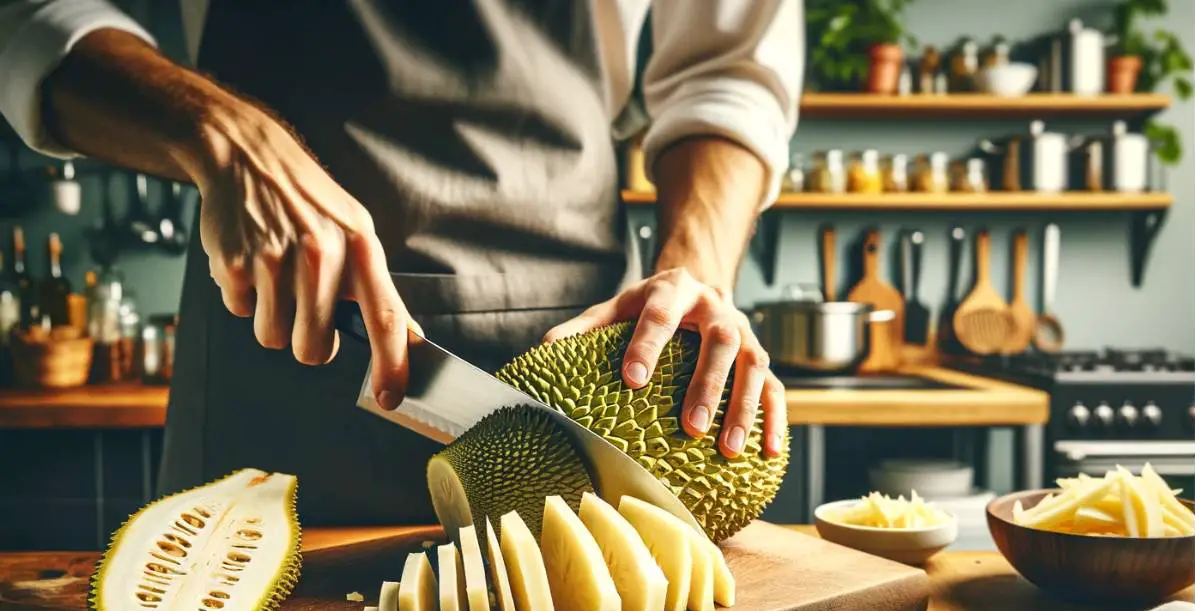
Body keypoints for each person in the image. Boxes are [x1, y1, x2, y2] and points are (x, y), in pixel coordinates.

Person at [0, 1, 801, 525]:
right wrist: (222, 133)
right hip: (278, 334)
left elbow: (726, 71)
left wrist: (696, 268)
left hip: (587, 342)